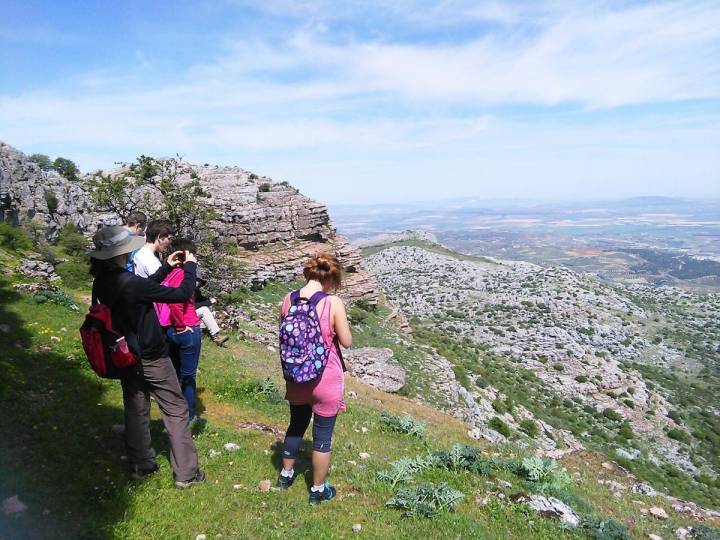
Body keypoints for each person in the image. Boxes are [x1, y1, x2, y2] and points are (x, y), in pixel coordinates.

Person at [89, 225, 205, 489]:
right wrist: (190, 268)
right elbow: (178, 294)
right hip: (152, 356)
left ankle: (141, 465)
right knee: (176, 409)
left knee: (136, 409)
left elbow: (142, 288)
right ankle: (187, 473)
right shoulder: (129, 283)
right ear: (120, 253)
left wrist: (165, 268)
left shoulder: (104, 282)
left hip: (124, 355)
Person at [276, 253, 352, 504]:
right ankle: (317, 491)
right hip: (325, 379)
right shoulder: (333, 303)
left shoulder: (288, 299)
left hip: (296, 377)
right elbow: (346, 341)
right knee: (322, 436)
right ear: (331, 279)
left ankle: (286, 476)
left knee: (296, 425)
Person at [158, 238, 204, 422]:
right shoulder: (183, 275)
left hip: (170, 330)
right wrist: (181, 326)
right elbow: (176, 301)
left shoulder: (169, 274)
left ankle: (173, 412)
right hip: (186, 329)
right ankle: (188, 415)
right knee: (188, 377)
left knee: (175, 373)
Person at [194, 270, 228, 345]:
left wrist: (210, 300)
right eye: (196, 279)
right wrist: (209, 302)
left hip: (188, 314)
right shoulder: (187, 290)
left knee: (207, 310)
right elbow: (193, 306)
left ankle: (210, 333)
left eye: (199, 280)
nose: (197, 282)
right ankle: (216, 336)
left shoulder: (196, 291)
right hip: (184, 314)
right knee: (204, 310)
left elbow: (200, 299)